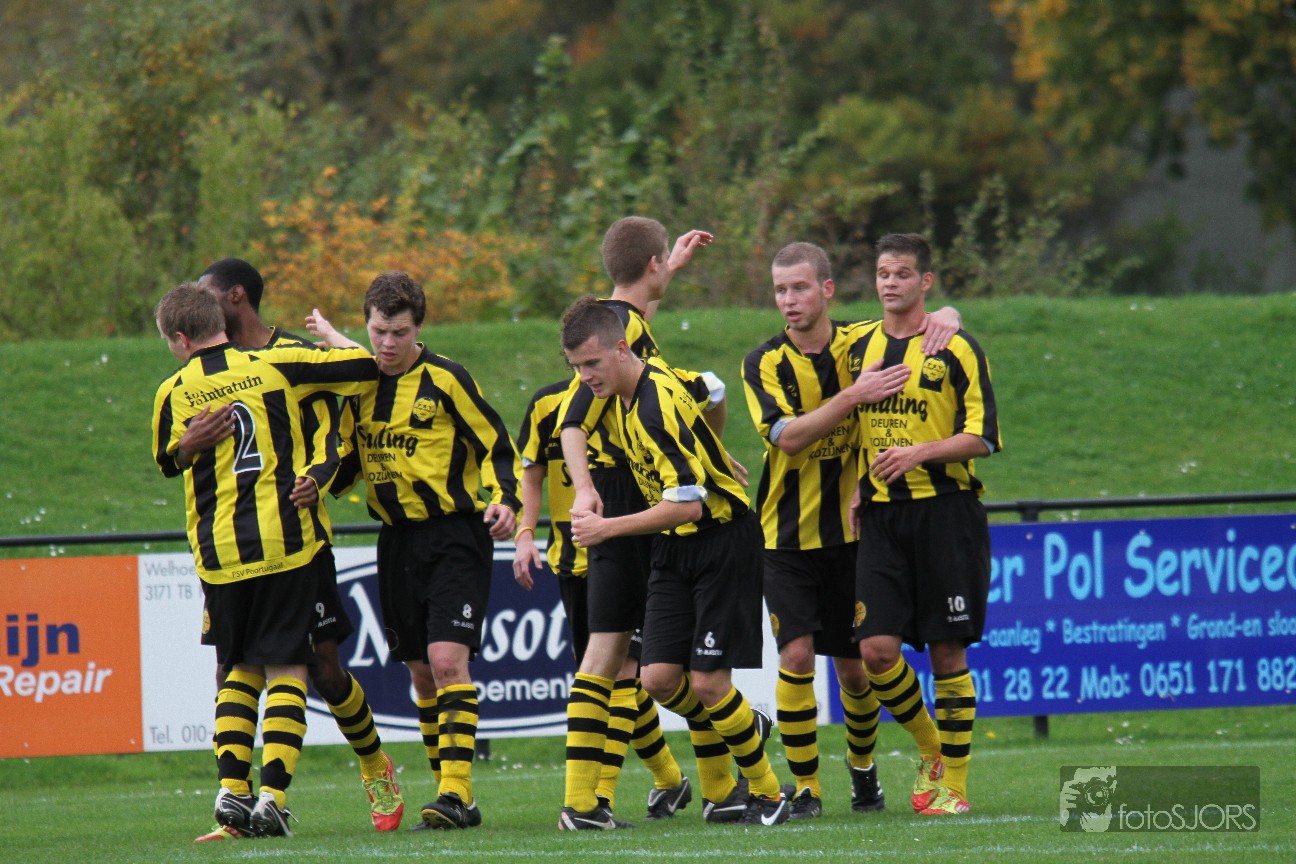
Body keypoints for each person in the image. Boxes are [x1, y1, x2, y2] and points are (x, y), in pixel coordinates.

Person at [178, 258, 404, 838]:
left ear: (235, 297)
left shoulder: (292, 357)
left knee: (323, 669)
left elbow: (334, 434)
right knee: (233, 665)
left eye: (206, 294)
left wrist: (318, 479)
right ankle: (242, 800)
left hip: (299, 537)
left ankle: (374, 764)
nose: (199, 304)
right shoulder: (202, 373)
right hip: (233, 547)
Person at [740, 242, 962, 819]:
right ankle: (807, 788)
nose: (789, 300)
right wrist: (854, 395)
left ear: (827, 290)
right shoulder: (763, 362)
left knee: (857, 669)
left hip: (855, 532)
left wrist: (947, 315)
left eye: (800, 288)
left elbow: (921, 323)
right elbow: (789, 438)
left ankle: (867, 769)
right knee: (795, 656)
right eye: (780, 290)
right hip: (785, 536)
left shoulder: (863, 342)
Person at [562, 296, 790, 827]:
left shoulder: (652, 406)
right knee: (658, 679)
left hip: (720, 539)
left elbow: (689, 505)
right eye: (576, 367)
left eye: (592, 363)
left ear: (622, 348)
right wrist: (708, 445)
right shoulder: (630, 388)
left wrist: (606, 528)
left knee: (708, 683)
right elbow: (712, 387)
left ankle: (768, 792)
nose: (585, 377)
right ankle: (742, 725)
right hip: (673, 546)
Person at [307, 271, 521, 831]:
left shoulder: (447, 379)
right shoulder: (359, 385)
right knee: (422, 675)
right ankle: (447, 793)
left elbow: (497, 445)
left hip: (454, 536)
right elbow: (346, 461)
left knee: (449, 662)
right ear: (367, 325)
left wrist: (506, 501)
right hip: (396, 541)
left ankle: (456, 793)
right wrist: (313, 484)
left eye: (400, 333)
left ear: (418, 329)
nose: (388, 344)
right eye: (379, 331)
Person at [554, 217, 740, 829]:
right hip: (637, 496)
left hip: (638, 489)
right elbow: (572, 421)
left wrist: (669, 268)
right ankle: (719, 780)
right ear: (653, 264)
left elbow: (639, 303)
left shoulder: (620, 318)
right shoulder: (618, 335)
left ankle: (590, 802)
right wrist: (586, 491)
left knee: (621, 660)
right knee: (641, 659)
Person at [849, 233, 1001, 816]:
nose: (890, 283)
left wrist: (919, 452)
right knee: (876, 650)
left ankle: (953, 786)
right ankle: (933, 748)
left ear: (926, 282)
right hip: (882, 517)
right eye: (883, 273)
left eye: (903, 274)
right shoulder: (858, 344)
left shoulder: (957, 347)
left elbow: (984, 437)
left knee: (947, 653)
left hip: (946, 514)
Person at [512, 379, 691, 822]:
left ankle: (597, 799)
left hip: (627, 548)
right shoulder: (547, 403)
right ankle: (669, 778)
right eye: (581, 363)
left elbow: (709, 397)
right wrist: (525, 533)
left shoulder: (635, 396)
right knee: (605, 681)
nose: (588, 371)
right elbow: (530, 472)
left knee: (625, 673)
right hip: (573, 561)